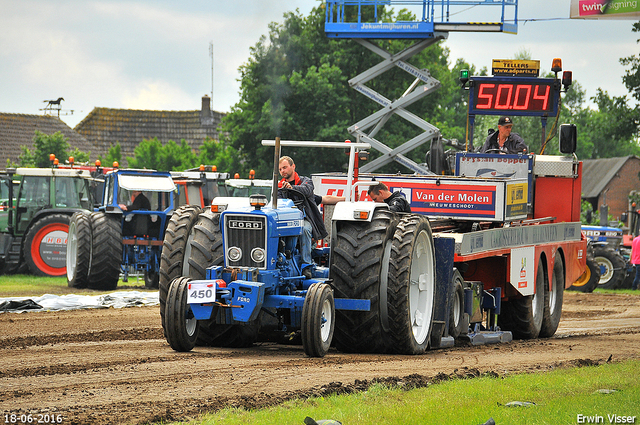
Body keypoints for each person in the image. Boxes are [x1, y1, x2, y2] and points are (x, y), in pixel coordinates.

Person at [278, 156, 328, 278]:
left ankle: (306, 265)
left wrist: (292, 188)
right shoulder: (279, 186)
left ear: (293, 166)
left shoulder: (306, 181)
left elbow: (306, 190)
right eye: (280, 169)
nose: (282, 171)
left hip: (305, 219)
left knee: (305, 229)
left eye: (285, 167)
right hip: (287, 220)